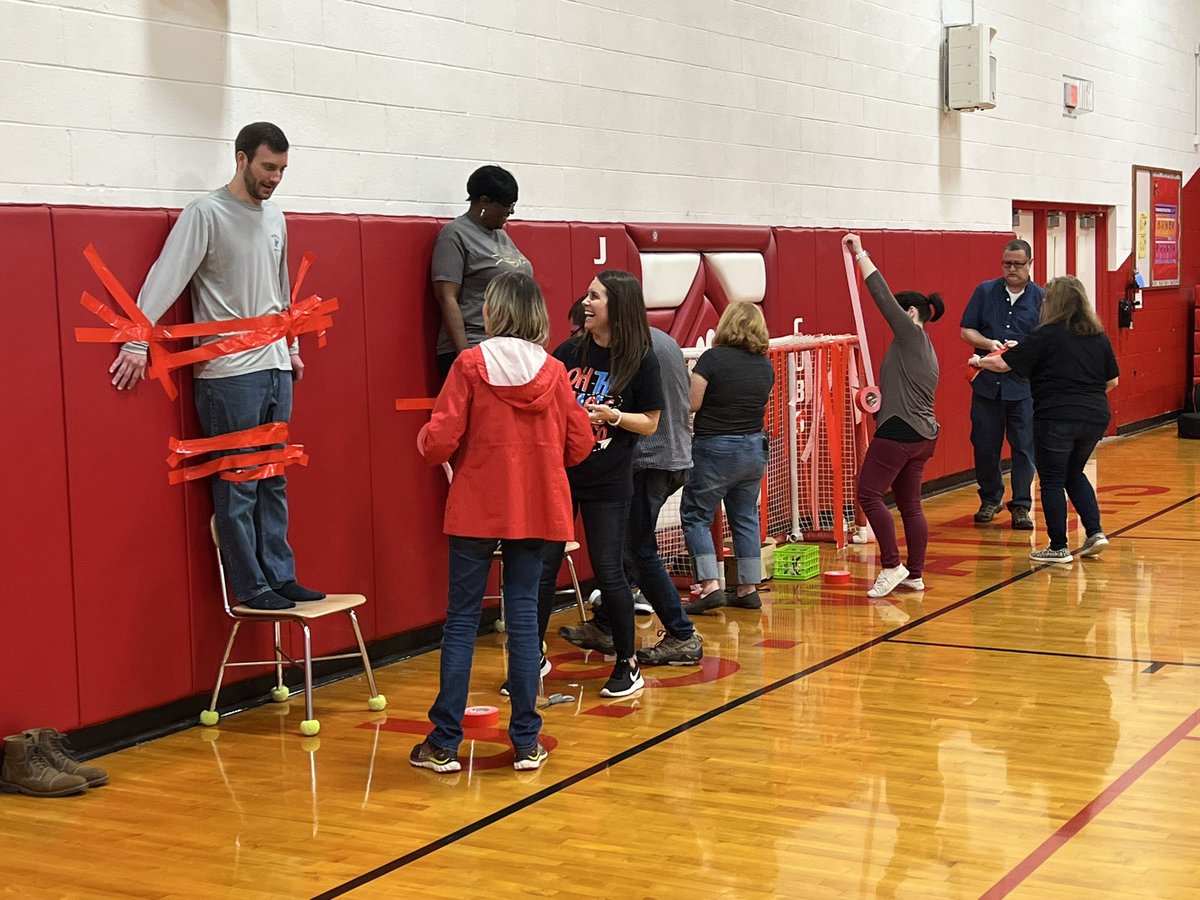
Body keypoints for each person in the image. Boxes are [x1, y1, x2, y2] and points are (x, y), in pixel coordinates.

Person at [108, 122, 321, 611]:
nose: (275, 178)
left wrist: (290, 346)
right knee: (239, 479)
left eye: (283, 170)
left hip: (274, 367)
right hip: (228, 373)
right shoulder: (205, 213)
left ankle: (280, 575)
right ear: (241, 159)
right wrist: (138, 341)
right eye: (268, 167)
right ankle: (251, 585)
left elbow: (280, 285)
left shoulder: (275, 219)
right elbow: (168, 274)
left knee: (274, 476)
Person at [412, 272, 594, 773]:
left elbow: (441, 442)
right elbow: (579, 446)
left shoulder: (470, 365)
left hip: (476, 506)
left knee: (463, 621)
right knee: (523, 624)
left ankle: (445, 742)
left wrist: (426, 441)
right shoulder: (556, 372)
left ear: (491, 313)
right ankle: (527, 742)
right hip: (538, 509)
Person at [549, 271, 665, 698]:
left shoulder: (641, 360)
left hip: (608, 481)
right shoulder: (567, 351)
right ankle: (531, 661)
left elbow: (651, 423)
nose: (586, 301)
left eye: (596, 296)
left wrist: (611, 416)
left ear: (617, 306)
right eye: (587, 294)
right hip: (563, 477)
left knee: (608, 572)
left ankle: (628, 663)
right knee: (543, 567)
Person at [970, 275, 1118, 564]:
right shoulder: (1098, 335)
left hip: (1056, 417)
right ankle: (1095, 532)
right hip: (1095, 416)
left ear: (1055, 302)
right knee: (1075, 473)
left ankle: (1058, 546)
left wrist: (978, 362)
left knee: (1051, 479)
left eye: (1047, 299)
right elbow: (1112, 381)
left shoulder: (1046, 334)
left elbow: (1002, 363)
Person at [842, 234, 944, 599]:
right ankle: (914, 574)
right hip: (920, 435)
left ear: (911, 314)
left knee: (868, 495)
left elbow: (881, 295)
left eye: (900, 315)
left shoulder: (910, 335)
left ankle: (891, 565)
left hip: (900, 435)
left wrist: (860, 253)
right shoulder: (921, 349)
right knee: (910, 505)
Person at [679, 301, 775, 614]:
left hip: (715, 448)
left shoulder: (712, 359)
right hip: (753, 448)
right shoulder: (765, 365)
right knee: (745, 517)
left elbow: (693, 403)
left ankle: (709, 586)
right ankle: (748, 588)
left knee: (696, 515)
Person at [960, 239, 1044, 530]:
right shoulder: (985, 291)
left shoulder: (1041, 299)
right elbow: (966, 330)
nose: (1011, 269)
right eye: (1006, 263)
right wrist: (987, 343)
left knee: (1023, 447)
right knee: (984, 445)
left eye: (1018, 264)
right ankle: (990, 497)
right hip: (986, 385)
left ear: (1030, 264)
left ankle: (1021, 506)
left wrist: (1021, 349)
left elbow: (1046, 342)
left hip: (1023, 388)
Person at [431, 165, 532, 379]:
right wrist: (465, 356)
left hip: (509, 346)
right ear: (484, 201)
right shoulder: (455, 234)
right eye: (507, 205)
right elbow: (447, 298)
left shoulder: (500, 235)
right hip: (475, 343)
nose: (511, 211)